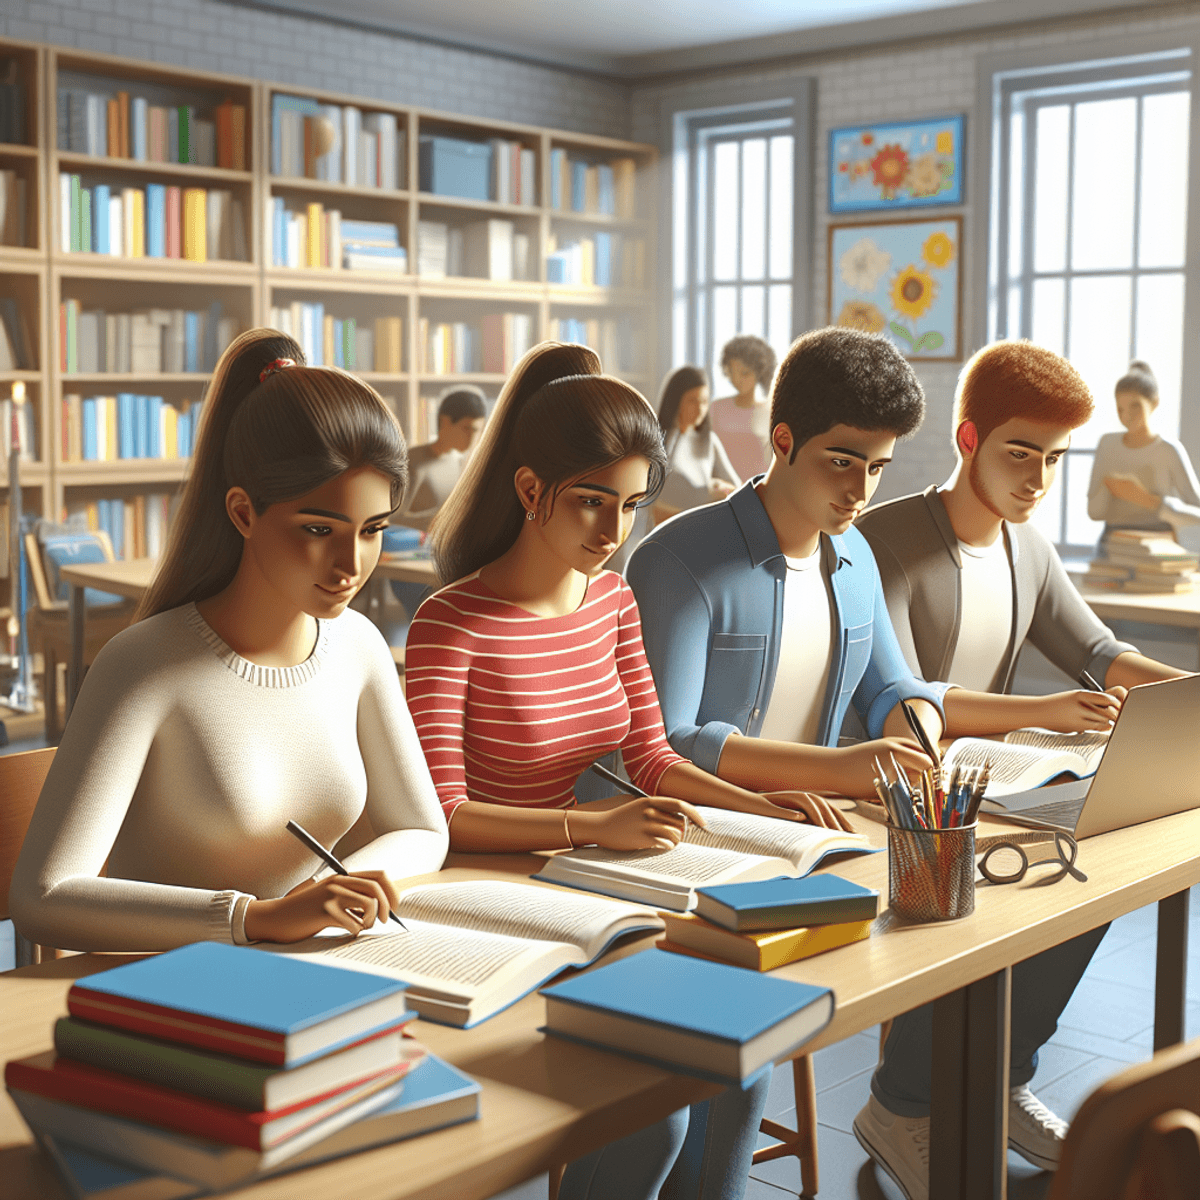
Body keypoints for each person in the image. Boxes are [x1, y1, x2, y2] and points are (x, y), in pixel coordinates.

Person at [405, 341, 847, 1200]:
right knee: (660, 1112)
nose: (614, 534)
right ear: (531, 491)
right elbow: (446, 816)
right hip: (486, 896)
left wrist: (760, 804)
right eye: (592, 503)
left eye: (634, 506)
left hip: (586, 877)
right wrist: (593, 825)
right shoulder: (450, 623)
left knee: (738, 1059)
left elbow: (652, 755)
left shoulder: (611, 600)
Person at [853, 339, 1192, 1199]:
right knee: (993, 889)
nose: (1038, 477)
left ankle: (1000, 1078)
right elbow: (905, 689)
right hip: (895, 787)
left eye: (1053, 458)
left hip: (992, 787)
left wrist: (1189, 692)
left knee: (1094, 875)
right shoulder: (882, 540)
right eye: (1019, 452)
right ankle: (902, 1104)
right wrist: (1042, 712)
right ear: (968, 439)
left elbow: (1100, 652)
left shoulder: (1027, 547)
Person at [10, 330, 448, 953]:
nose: (351, 563)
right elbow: (40, 898)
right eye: (319, 528)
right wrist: (259, 918)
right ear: (243, 513)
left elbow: (424, 829)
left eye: (372, 529)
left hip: (310, 963)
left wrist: (325, 892)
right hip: (167, 989)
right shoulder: (143, 666)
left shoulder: (359, 645)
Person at [626, 327, 948, 806]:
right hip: (704, 833)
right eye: (841, 462)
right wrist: (839, 770)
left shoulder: (857, 555)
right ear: (783, 440)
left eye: (876, 468)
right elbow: (669, 743)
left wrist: (917, 729)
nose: (860, 492)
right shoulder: (675, 561)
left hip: (820, 826)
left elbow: (892, 688)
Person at [1087, 359, 1200, 541]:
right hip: (1114, 543)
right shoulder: (1107, 445)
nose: (1126, 416)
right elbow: (1094, 511)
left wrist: (1147, 500)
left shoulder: (1168, 450)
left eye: (1135, 406)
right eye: (1120, 409)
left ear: (1154, 403)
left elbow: (1197, 511)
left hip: (1159, 542)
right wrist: (1106, 492)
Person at [395, 385, 488, 531]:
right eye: (467, 429)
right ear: (445, 422)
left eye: (477, 431)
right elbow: (390, 519)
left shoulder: (458, 462)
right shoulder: (412, 462)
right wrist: (441, 518)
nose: (472, 438)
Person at [655, 365, 740, 518]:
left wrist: (721, 489)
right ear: (676, 400)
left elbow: (737, 488)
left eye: (704, 401)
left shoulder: (709, 441)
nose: (700, 409)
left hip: (700, 522)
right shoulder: (657, 441)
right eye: (693, 401)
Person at [708, 334, 776, 481]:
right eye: (732, 372)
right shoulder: (716, 409)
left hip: (757, 492)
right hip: (722, 492)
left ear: (759, 372)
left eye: (745, 373)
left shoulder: (770, 413)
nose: (737, 379)